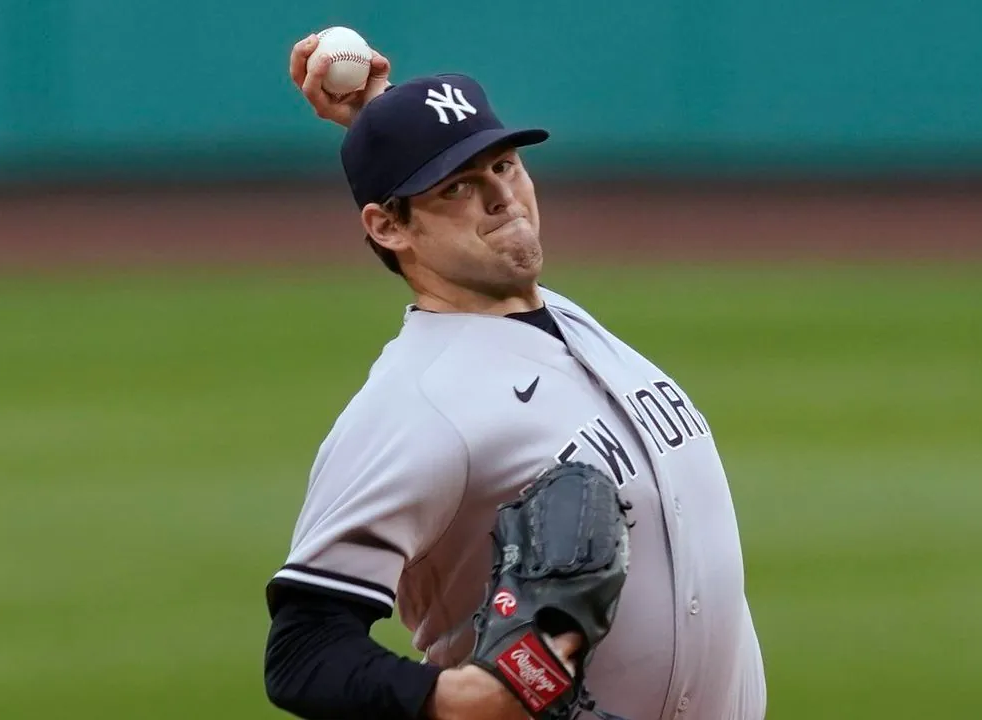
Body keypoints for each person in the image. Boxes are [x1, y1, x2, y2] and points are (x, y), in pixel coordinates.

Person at [262, 33, 767, 720]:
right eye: (460, 186)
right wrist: (456, 700)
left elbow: (431, 179)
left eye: (504, 165)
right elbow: (303, 651)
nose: (502, 196)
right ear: (388, 227)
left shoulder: (554, 317)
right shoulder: (417, 404)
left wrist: (380, 114)